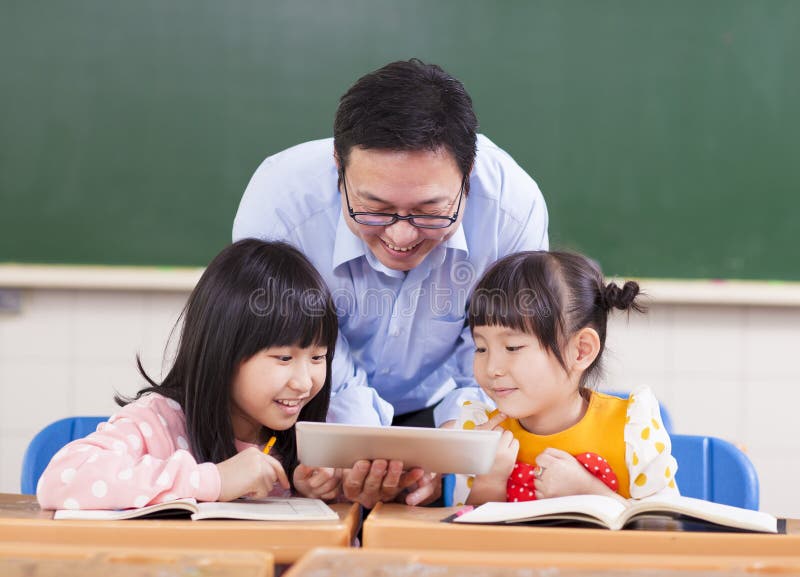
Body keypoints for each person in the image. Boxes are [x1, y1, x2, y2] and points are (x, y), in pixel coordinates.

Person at [233, 59, 548, 507]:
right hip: (310, 408)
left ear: (469, 172)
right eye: (373, 207)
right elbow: (274, 340)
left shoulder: (512, 211)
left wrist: (455, 449)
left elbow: (505, 349)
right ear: (338, 165)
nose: (401, 236)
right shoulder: (280, 203)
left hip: (449, 409)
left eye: (430, 210)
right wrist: (352, 441)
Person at [37, 239, 341, 510]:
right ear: (224, 351)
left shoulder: (313, 438)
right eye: (284, 358)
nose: (303, 382)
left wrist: (313, 490)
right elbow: (60, 480)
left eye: (318, 357)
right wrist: (214, 480)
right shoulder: (160, 423)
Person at [453, 251, 678, 506]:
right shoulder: (483, 432)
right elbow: (468, 540)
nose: (492, 368)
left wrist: (592, 492)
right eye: (481, 348)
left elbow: (664, 530)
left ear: (580, 350)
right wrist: (489, 481)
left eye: (513, 347)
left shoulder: (632, 431)